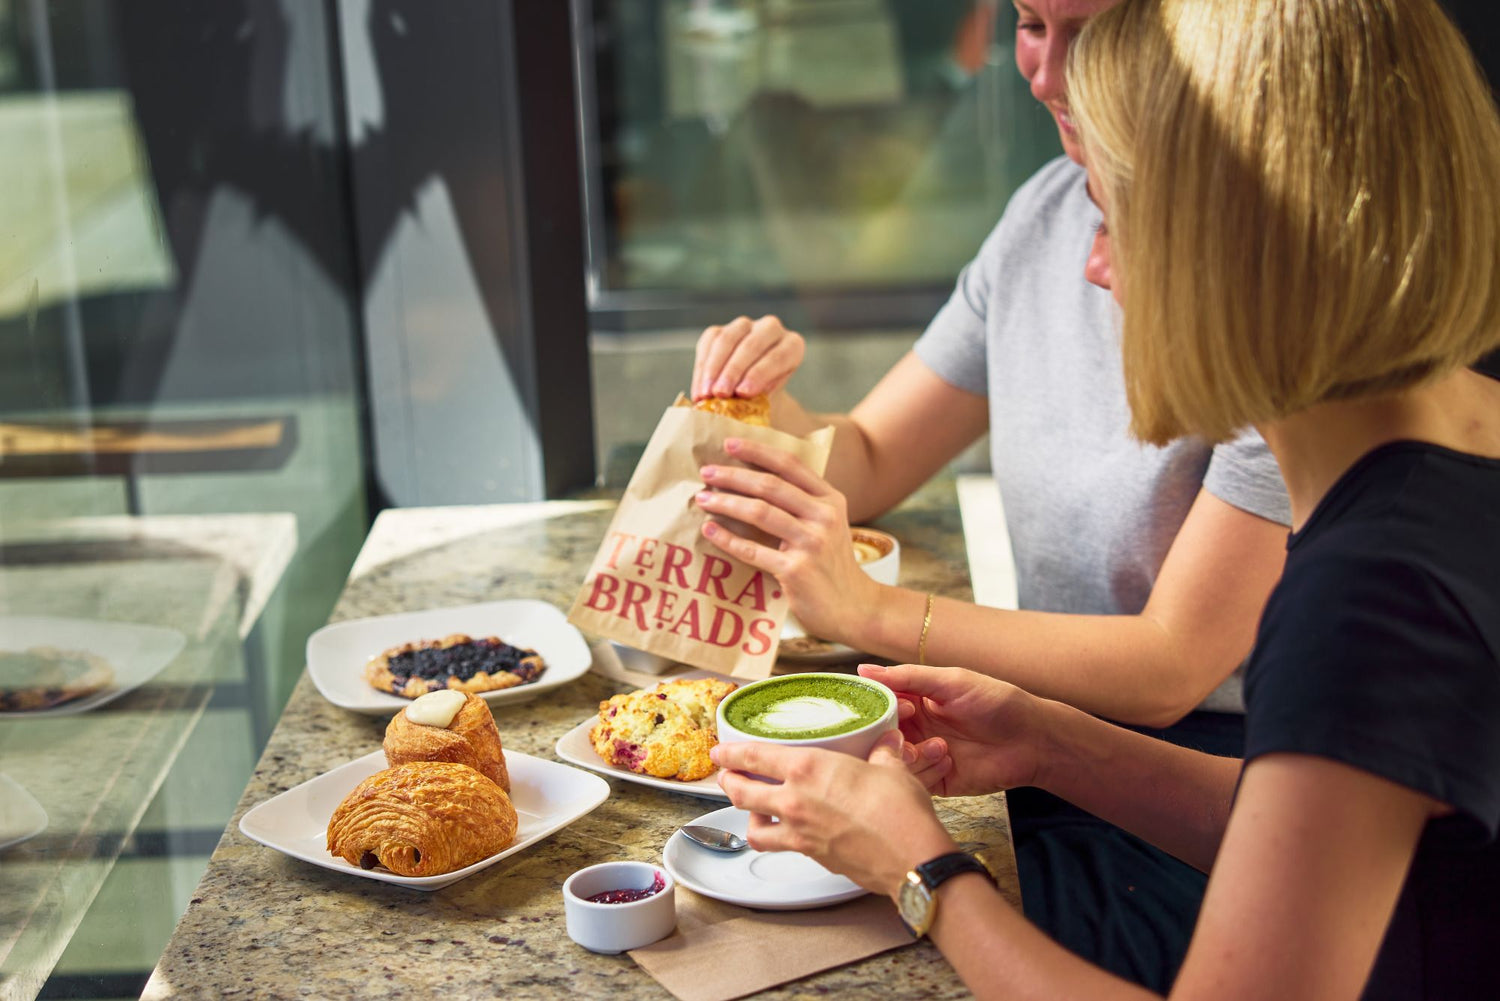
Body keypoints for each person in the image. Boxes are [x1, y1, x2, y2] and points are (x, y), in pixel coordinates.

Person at [711, 0, 1500, 997]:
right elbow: (1320, 827)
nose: (1093, 264)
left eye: (1121, 217)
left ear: (1245, 242)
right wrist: (1049, 742)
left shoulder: (1369, 599)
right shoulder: (1437, 475)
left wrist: (925, 873)